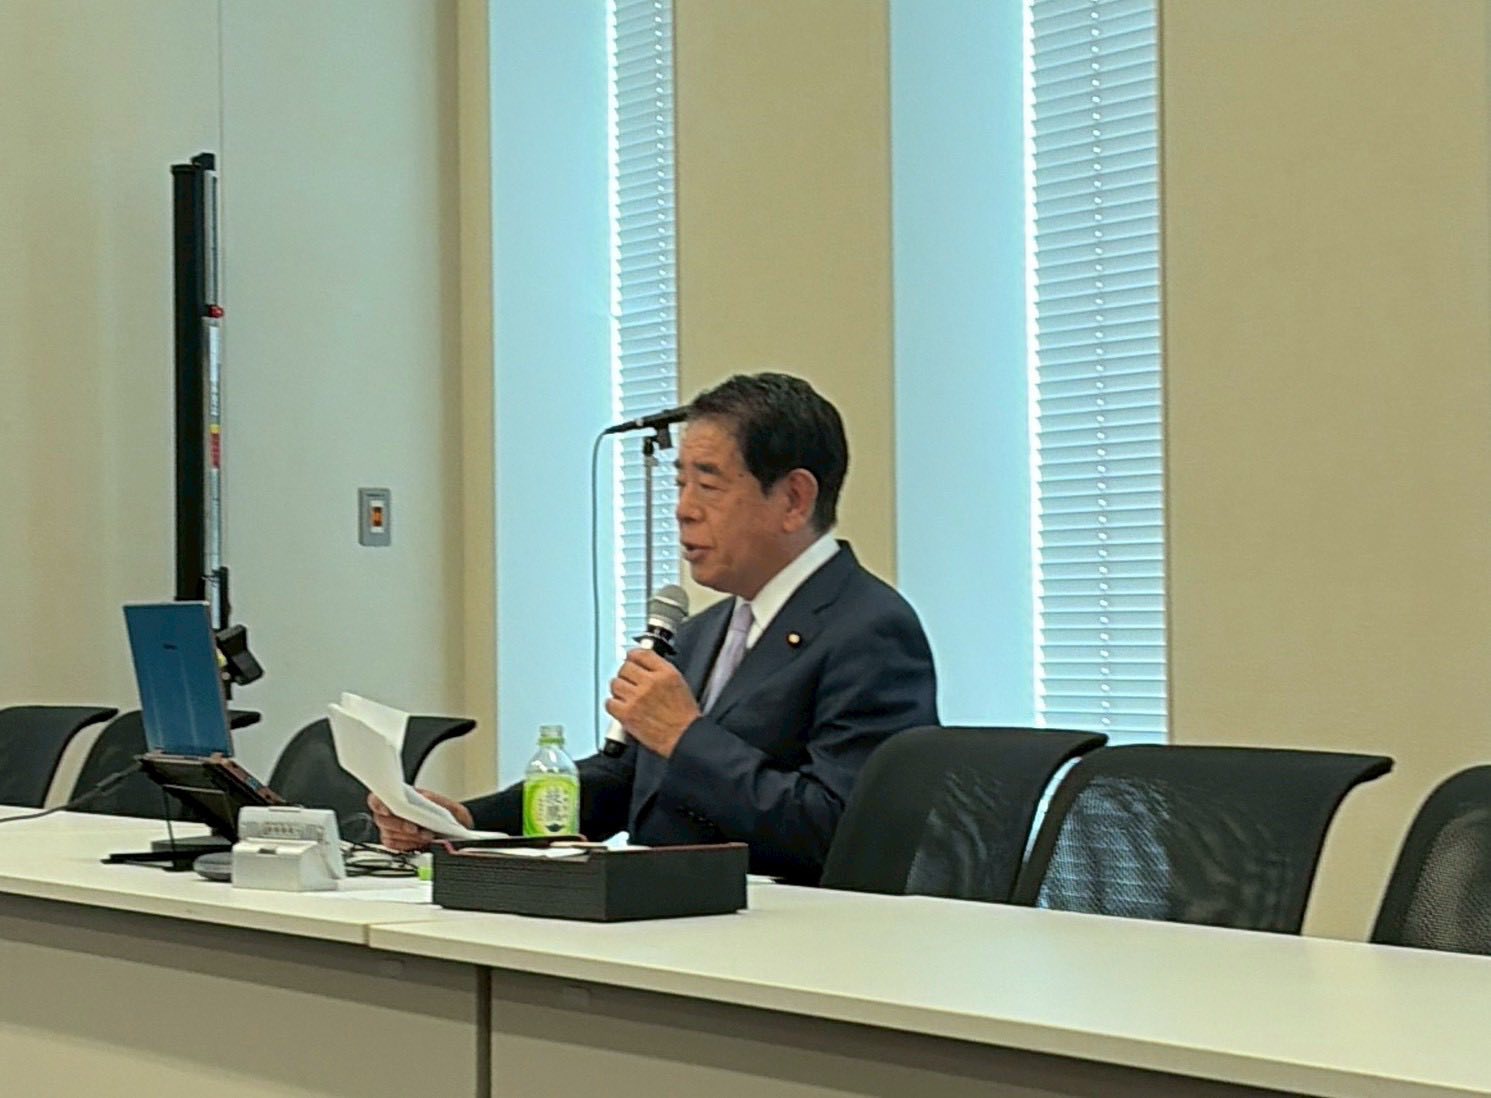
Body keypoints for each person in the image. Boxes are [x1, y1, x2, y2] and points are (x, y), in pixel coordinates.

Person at [371, 372, 937, 882]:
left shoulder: (871, 629)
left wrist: (686, 736)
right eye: (680, 484)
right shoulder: (701, 631)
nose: (683, 509)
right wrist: (469, 823)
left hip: (782, 936)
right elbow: (622, 782)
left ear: (793, 499)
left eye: (708, 486)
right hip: (660, 918)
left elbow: (843, 830)